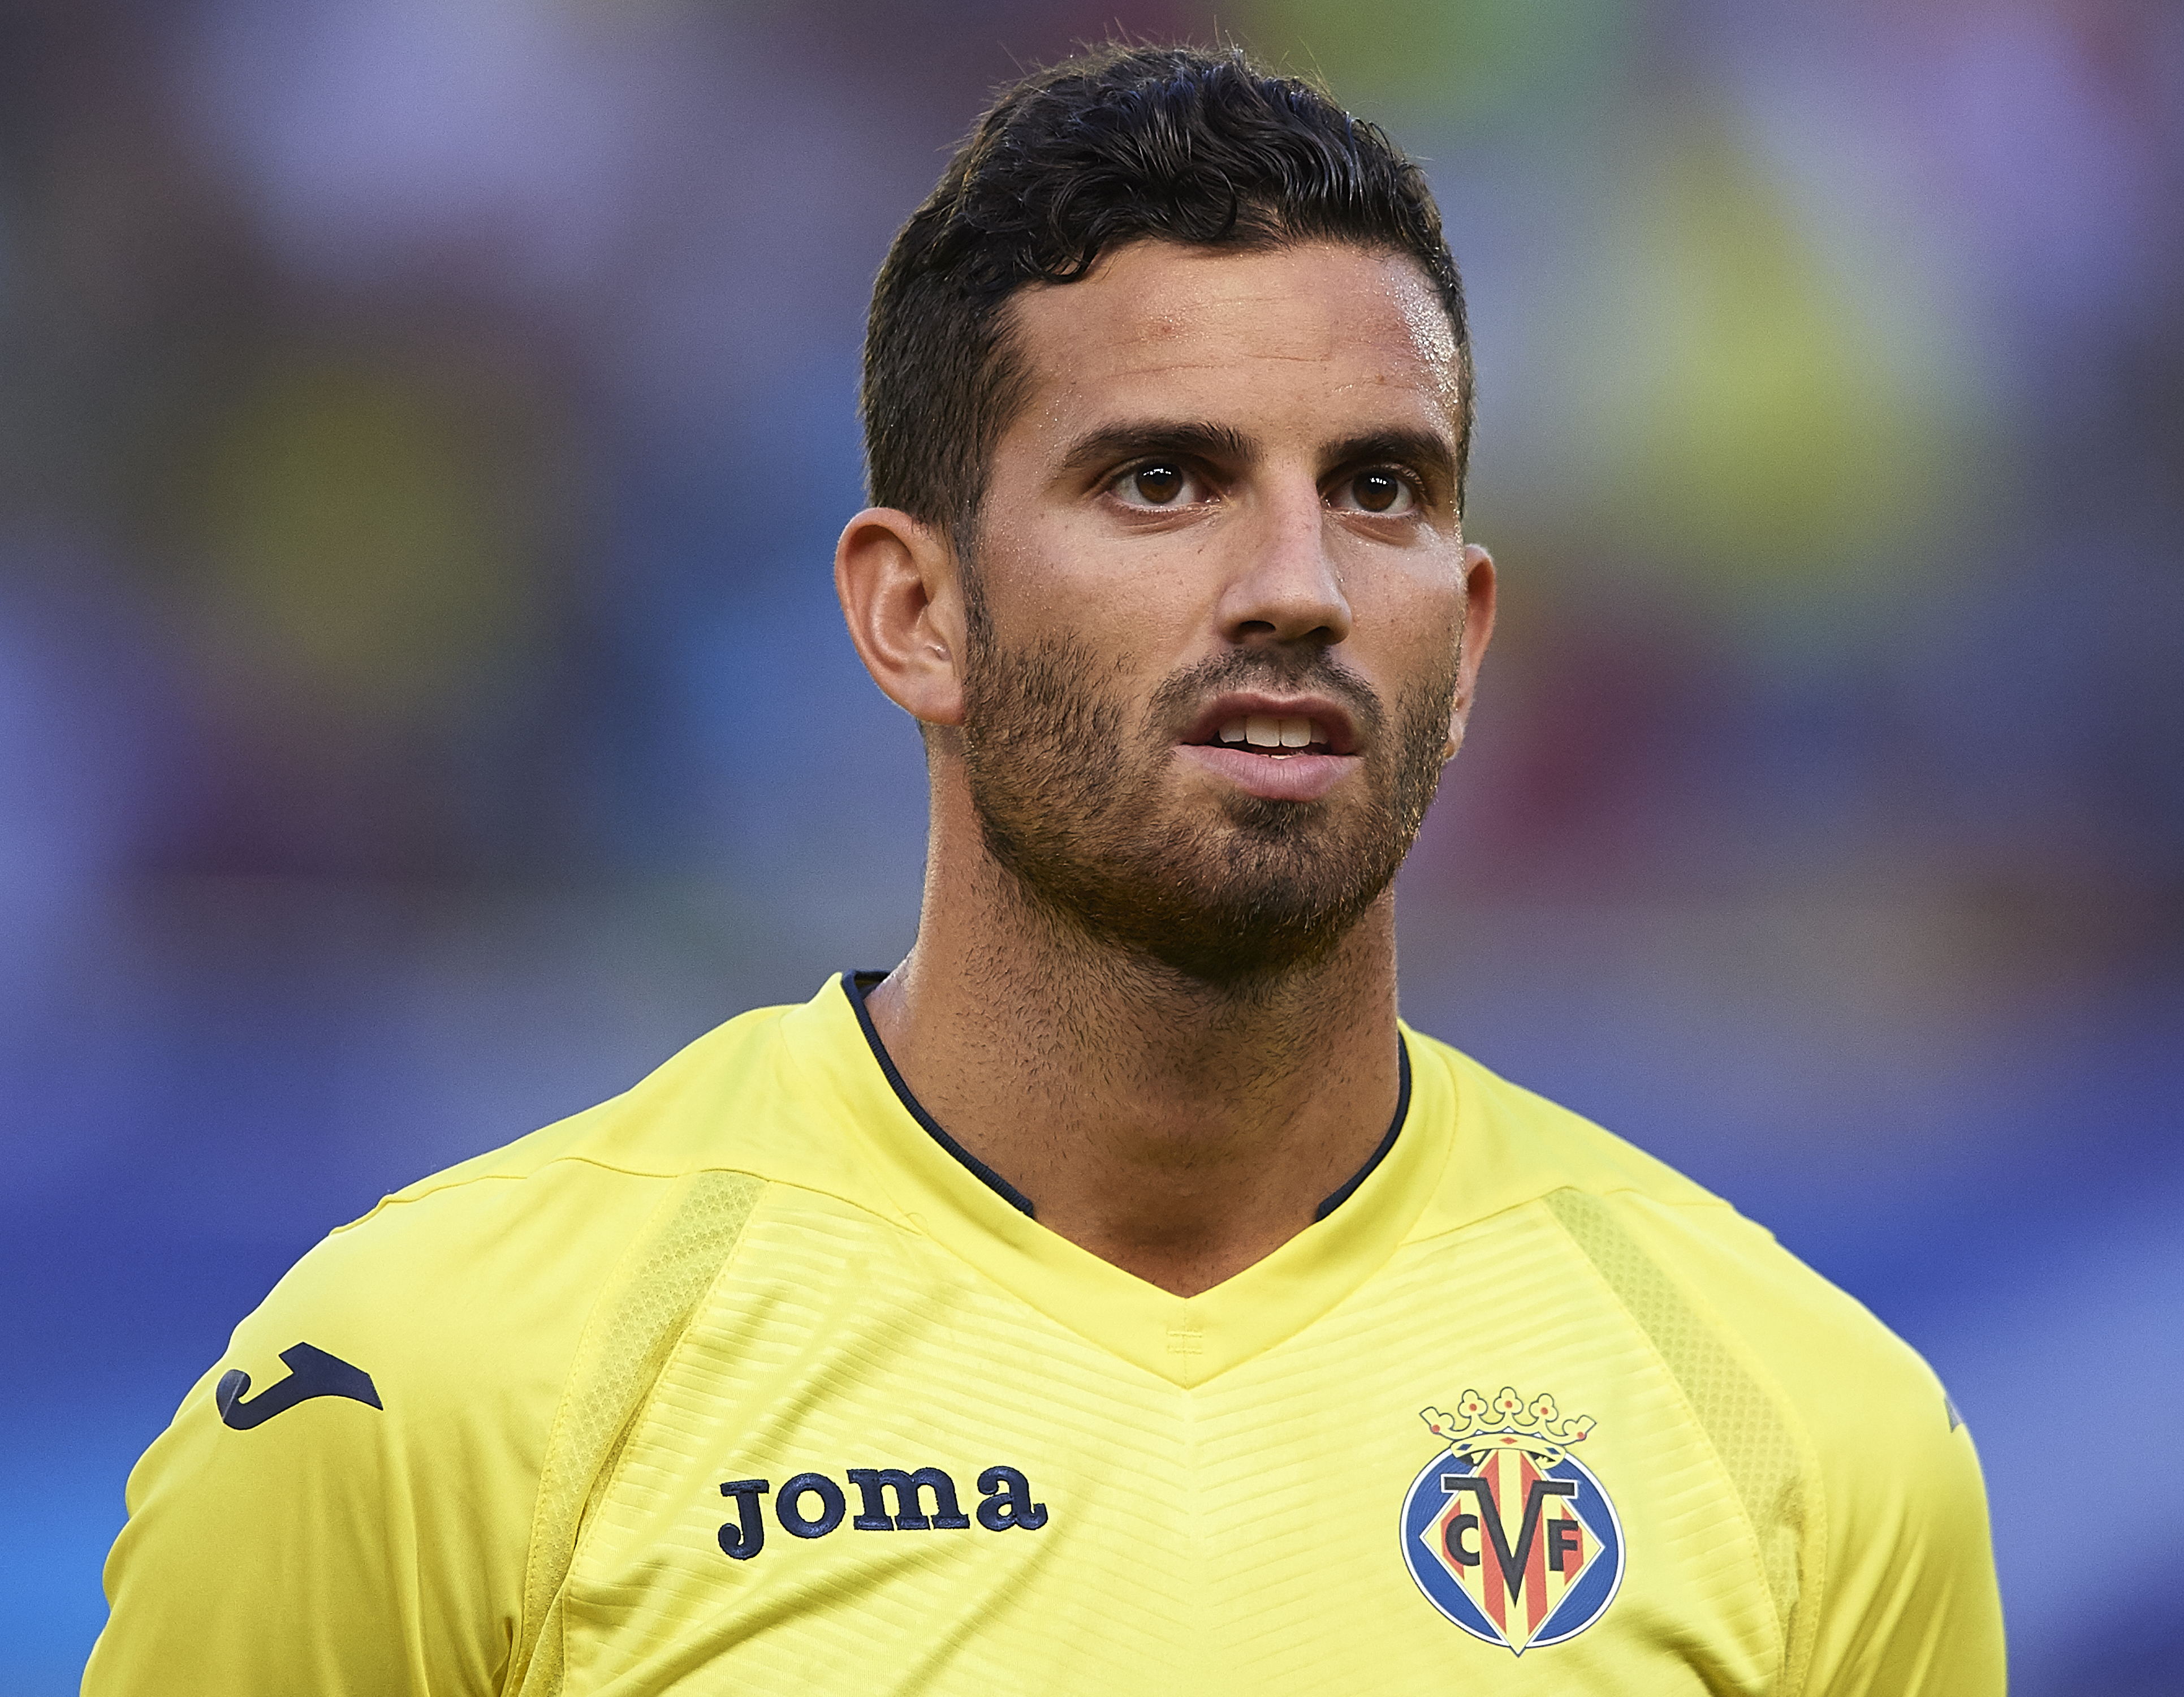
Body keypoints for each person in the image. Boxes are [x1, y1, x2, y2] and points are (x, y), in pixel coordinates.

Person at [85, 43, 2003, 1695]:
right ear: (914, 612)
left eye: (1380, 489)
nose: (1297, 589)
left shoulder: (1804, 1438)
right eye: (1161, 480)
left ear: (1474, 629)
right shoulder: (434, 1392)